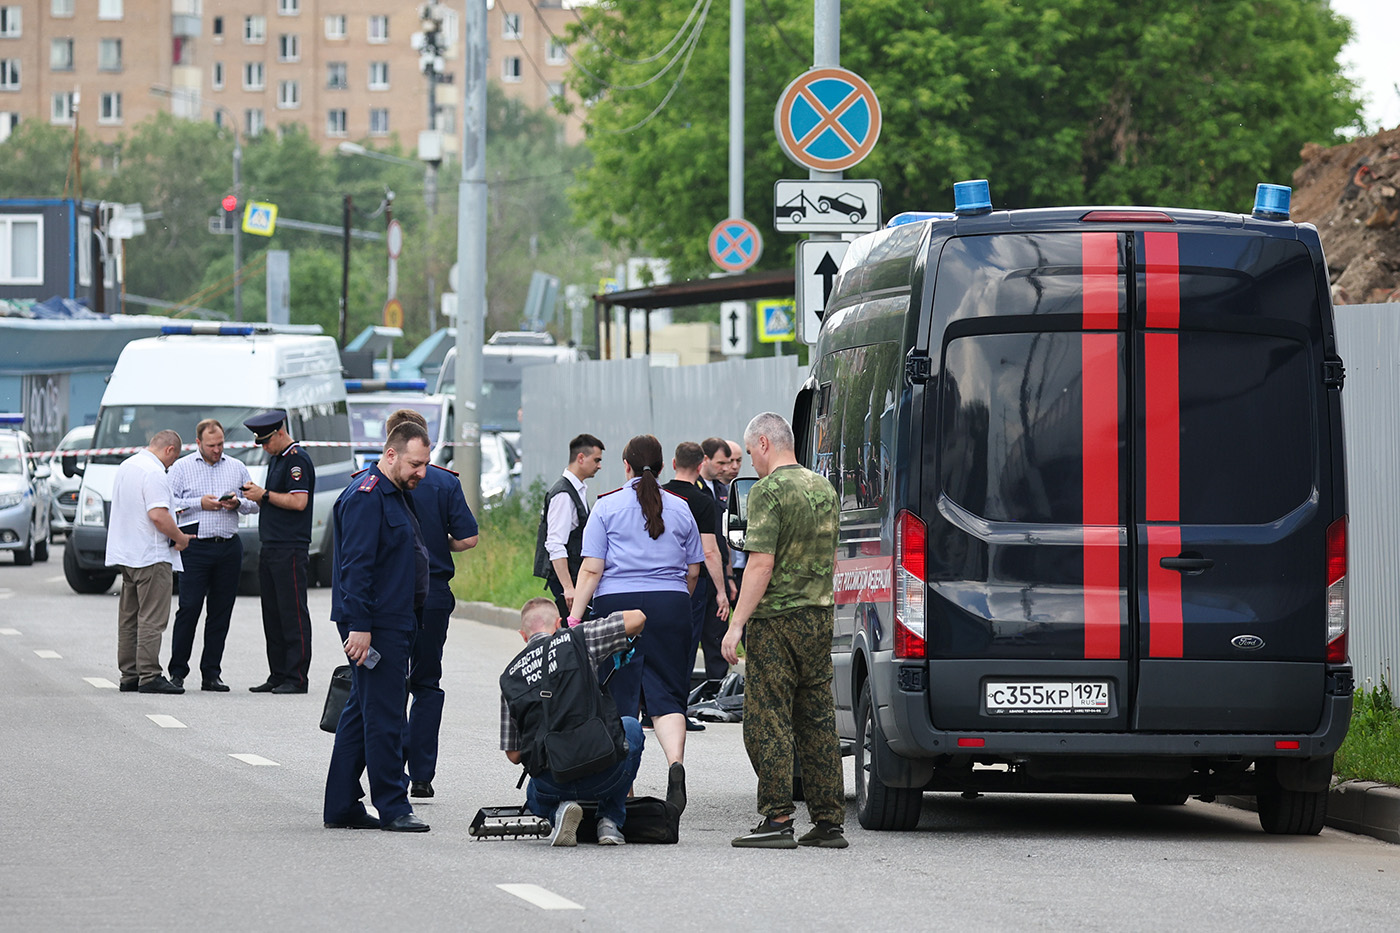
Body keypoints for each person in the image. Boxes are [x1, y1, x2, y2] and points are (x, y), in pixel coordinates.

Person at [721, 413, 847, 849]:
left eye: (752, 453)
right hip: (819, 616)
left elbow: (760, 563)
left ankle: (777, 818)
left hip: (777, 621)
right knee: (816, 719)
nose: (752, 462)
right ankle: (830, 821)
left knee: (767, 717)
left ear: (763, 442)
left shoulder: (768, 491)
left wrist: (736, 625)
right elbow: (831, 560)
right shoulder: (824, 488)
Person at [568, 434, 702, 808]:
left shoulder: (607, 506)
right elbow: (693, 571)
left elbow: (591, 569)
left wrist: (576, 617)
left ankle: (622, 787)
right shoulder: (680, 507)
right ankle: (675, 764)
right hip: (671, 604)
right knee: (669, 697)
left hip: (617, 607)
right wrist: (675, 604)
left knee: (615, 697)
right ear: (662, 468)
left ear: (625, 466)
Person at [323, 422, 434, 833]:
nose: (420, 472)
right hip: (376, 624)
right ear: (390, 455)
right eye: (414, 464)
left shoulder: (395, 493)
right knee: (386, 715)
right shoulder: (367, 497)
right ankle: (393, 806)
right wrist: (361, 626)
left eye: (424, 464)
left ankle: (340, 806)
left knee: (360, 712)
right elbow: (356, 567)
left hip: (393, 619)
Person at [383, 409, 480, 800]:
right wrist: (440, 544)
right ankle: (422, 774)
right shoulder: (443, 482)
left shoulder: (375, 483)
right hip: (435, 593)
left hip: (393, 593)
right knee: (426, 683)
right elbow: (469, 538)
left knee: (390, 683)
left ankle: (390, 770)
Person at [500, 597, 647, 846]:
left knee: (533, 795)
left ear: (523, 635)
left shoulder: (509, 677)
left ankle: (559, 811)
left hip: (551, 784)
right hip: (604, 775)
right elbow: (638, 618)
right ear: (559, 624)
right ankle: (609, 821)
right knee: (631, 726)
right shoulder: (579, 638)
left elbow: (514, 755)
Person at [165, 419, 258, 692]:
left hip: (228, 546)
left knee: (221, 612)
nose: (217, 450)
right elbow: (168, 503)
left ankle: (211, 673)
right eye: (211, 445)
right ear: (199, 444)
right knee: (190, 608)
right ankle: (177, 671)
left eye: (220, 445)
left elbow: (254, 503)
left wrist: (238, 503)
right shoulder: (182, 468)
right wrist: (199, 503)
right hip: (196, 547)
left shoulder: (236, 467)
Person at [107, 430, 191, 694]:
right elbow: (157, 514)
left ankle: (129, 674)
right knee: (152, 618)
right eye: (173, 459)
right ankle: (150, 674)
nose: (171, 465)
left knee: (129, 618)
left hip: (128, 553)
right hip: (151, 555)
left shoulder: (127, 466)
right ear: (169, 450)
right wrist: (180, 538)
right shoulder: (154, 472)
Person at [240, 409, 315, 695]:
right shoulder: (277, 459)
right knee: (271, 613)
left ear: (280, 433)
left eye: (266, 441)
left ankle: (296, 677)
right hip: (271, 545)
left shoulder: (297, 460)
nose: (264, 447)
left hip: (290, 547)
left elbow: (298, 502)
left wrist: (265, 495)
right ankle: (278, 673)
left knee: (292, 612)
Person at [662, 442, 729, 697]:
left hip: (661, 578)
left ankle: (650, 705)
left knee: (661, 642)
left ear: (673, 463)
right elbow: (709, 551)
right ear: (701, 465)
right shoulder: (702, 501)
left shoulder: (658, 494)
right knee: (686, 644)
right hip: (693, 581)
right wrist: (721, 591)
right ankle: (678, 705)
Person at [534, 433, 604, 619]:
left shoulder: (576, 489)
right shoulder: (564, 495)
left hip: (576, 579)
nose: (599, 465)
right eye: (596, 460)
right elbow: (555, 544)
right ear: (581, 458)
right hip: (571, 582)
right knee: (575, 638)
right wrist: (568, 588)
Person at [725, 439, 748, 594]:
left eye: (738, 461)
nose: (735, 466)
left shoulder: (743, 490)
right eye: (730, 461)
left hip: (744, 567)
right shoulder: (711, 494)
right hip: (726, 569)